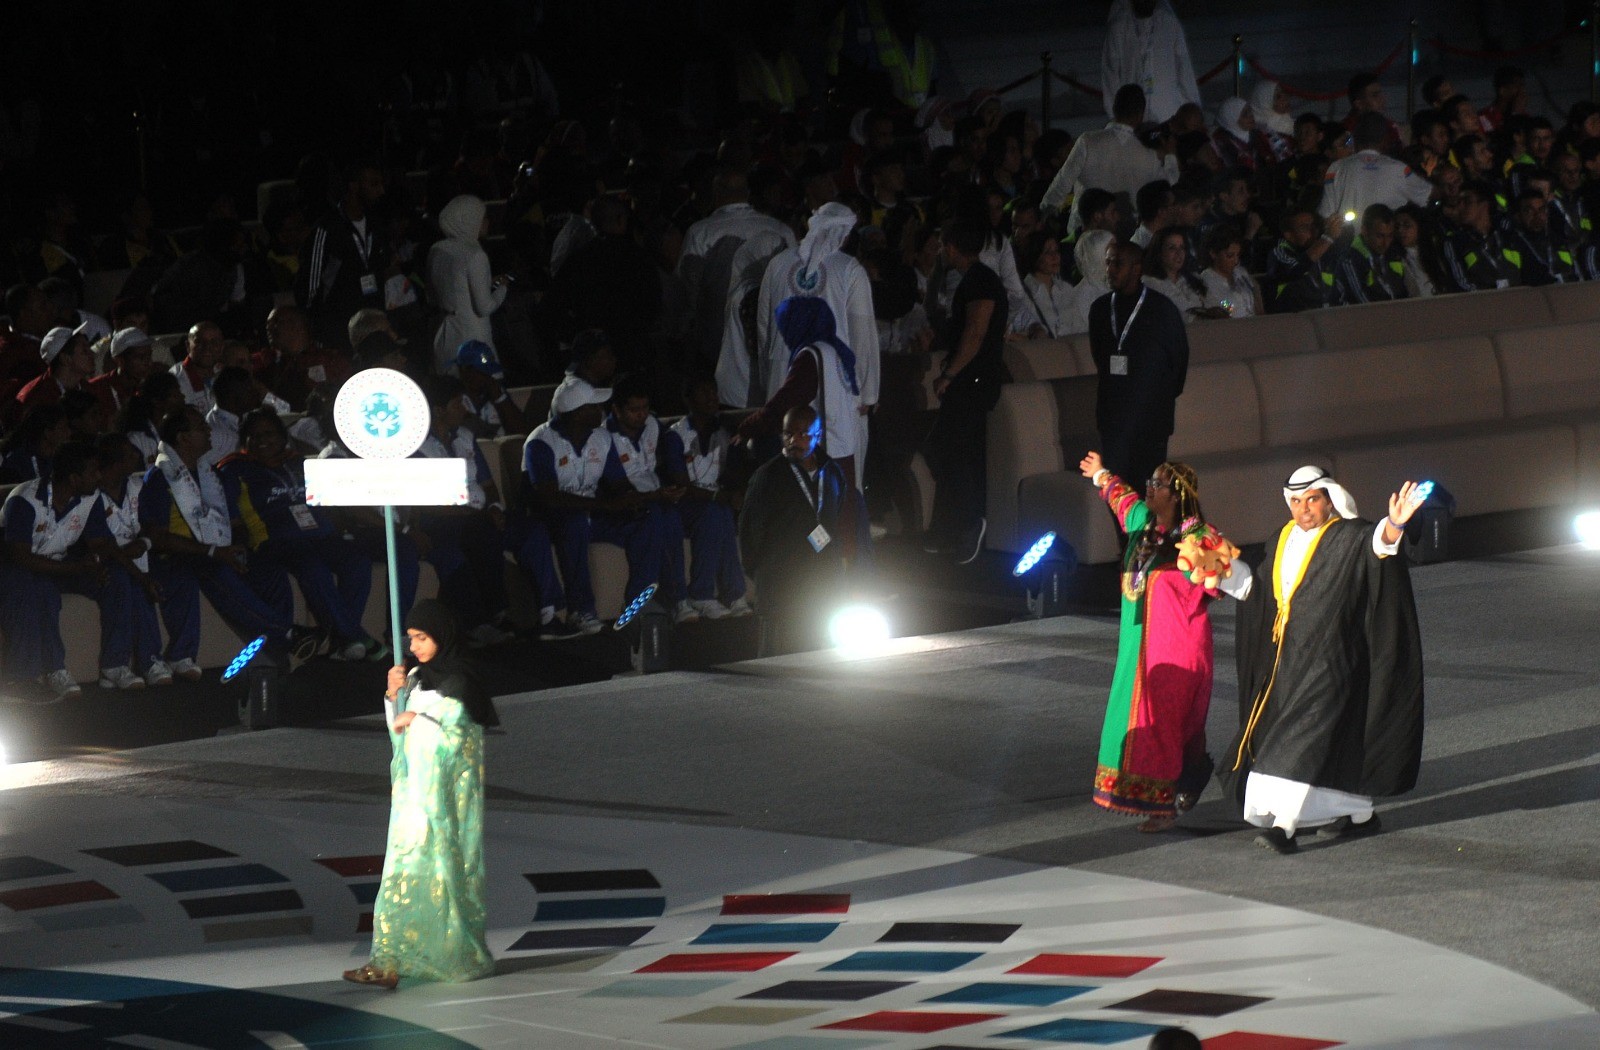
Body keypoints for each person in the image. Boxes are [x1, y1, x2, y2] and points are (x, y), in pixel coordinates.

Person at [1222, 467, 1427, 854]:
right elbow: (1259, 591)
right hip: (1289, 661)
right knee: (1316, 742)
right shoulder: (1281, 539)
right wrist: (1222, 573)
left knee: (1300, 741)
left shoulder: (1347, 537)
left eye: (1312, 499)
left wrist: (1395, 526)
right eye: (1295, 502)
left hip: (1333, 660)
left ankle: (1285, 826)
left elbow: (1377, 547)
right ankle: (1359, 815)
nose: (1303, 509)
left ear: (1329, 499)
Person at [1079, 451, 1250, 831]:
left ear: (1175, 495)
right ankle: (1187, 779)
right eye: (1151, 482)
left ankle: (1164, 805)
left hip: (1178, 645)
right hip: (1138, 645)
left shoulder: (1197, 537)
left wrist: (1211, 562)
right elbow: (1122, 499)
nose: (1149, 488)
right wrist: (1101, 474)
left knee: (1167, 723)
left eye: (1157, 485)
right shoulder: (1142, 525)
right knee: (1136, 718)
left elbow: (1227, 573)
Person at [344, 599, 497, 990]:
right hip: (413, 797)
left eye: (421, 638)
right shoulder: (414, 676)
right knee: (402, 871)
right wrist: (393, 696)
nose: (414, 646)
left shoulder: (461, 680)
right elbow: (398, 733)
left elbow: (458, 740)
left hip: (444, 801)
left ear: (441, 636)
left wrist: (420, 720)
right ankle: (389, 958)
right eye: (410, 638)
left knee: (441, 871)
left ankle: (451, 956)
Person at [219, 408, 383, 662]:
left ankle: (342, 639)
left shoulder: (298, 462)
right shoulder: (235, 469)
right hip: (277, 541)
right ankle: (356, 637)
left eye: (270, 433)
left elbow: (328, 500)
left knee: (358, 563)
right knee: (313, 569)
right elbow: (230, 516)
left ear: (282, 436)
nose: (263, 440)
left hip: (320, 535)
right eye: (255, 435)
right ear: (245, 440)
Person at [0, 441, 158, 701]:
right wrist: (75, 568)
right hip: (15, 569)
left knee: (116, 580)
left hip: (59, 564)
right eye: (93, 471)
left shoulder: (90, 497)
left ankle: (114, 666)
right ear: (74, 478)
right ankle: (47, 670)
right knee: (40, 590)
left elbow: (103, 544)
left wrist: (141, 578)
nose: (99, 476)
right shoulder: (25, 499)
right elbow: (20, 558)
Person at [923, 218, 1007, 563]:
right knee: (951, 451)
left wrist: (951, 374)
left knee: (954, 452)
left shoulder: (980, 282)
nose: (942, 252)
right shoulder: (973, 281)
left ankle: (971, 524)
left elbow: (975, 333)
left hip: (973, 381)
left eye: (944, 245)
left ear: (954, 247)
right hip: (970, 380)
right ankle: (953, 528)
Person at [738, 405, 851, 656]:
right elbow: (749, 531)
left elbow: (835, 517)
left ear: (818, 435)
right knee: (778, 662)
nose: (793, 441)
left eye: (803, 434)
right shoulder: (768, 476)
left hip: (821, 584)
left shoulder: (831, 472)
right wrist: (761, 573)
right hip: (781, 586)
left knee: (819, 660)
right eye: (788, 434)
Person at [1089, 240, 1189, 492]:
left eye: (1118, 263)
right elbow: (1100, 357)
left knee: (1149, 493)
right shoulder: (1100, 309)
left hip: (1151, 421)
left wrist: (1156, 396)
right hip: (1114, 420)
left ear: (1136, 268)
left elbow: (1178, 363)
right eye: (1108, 262)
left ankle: (1149, 534)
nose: (1111, 269)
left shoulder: (1162, 310)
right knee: (1117, 492)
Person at [662, 375, 751, 619]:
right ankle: (701, 594)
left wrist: (736, 494)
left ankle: (733, 595)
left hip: (714, 502)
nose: (712, 398)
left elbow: (738, 473)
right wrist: (718, 497)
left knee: (720, 512)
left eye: (714, 392)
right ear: (688, 399)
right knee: (715, 510)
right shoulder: (675, 435)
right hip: (683, 504)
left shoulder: (725, 431)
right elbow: (681, 485)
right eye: (704, 392)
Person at [1042, 85, 1179, 232]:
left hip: (1085, 230)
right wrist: (1170, 155)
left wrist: (1047, 211)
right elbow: (1169, 185)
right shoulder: (1150, 152)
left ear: (1114, 108)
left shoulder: (1088, 141)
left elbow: (1063, 181)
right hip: (1128, 232)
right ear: (1141, 114)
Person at [429, 195, 509, 374]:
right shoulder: (475, 255)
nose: (487, 222)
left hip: (446, 335)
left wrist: (486, 282)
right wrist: (502, 289)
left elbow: (441, 292)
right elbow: (484, 307)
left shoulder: (437, 249)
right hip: (473, 337)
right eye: (483, 218)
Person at [1318, 113, 1433, 236]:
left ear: (1355, 137)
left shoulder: (1336, 168)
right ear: (1385, 140)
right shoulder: (1400, 169)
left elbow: (1326, 214)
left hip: (1349, 247)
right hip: (1388, 246)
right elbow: (1428, 196)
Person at [1099, 0, 1200, 125]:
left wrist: (1193, 108)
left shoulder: (1169, 23)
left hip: (1168, 111)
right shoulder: (1118, 27)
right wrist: (1116, 118)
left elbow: (1184, 70)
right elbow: (1110, 75)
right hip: (1131, 116)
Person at [1335, 204, 1409, 305]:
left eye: (1390, 236)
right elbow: (1365, 304)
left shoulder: (1394, 254)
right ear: (1364, 231)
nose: (1385, 242)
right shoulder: (1350, 260)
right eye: (1379, 236)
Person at [1141, 228, 1209, 321]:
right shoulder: (1150, 283)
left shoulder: (1192, 280)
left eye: (1182, 248)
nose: (1179, 253)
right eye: (1172, 248)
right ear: (1159, 252)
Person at [1199, 224, 1264, 318]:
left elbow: (1256, 297)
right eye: (1230, 256)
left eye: (1237, 255)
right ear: (1213, 253)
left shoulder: (1241, 273)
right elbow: (1222, 308)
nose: (1236, 261)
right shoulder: (1206, 282)